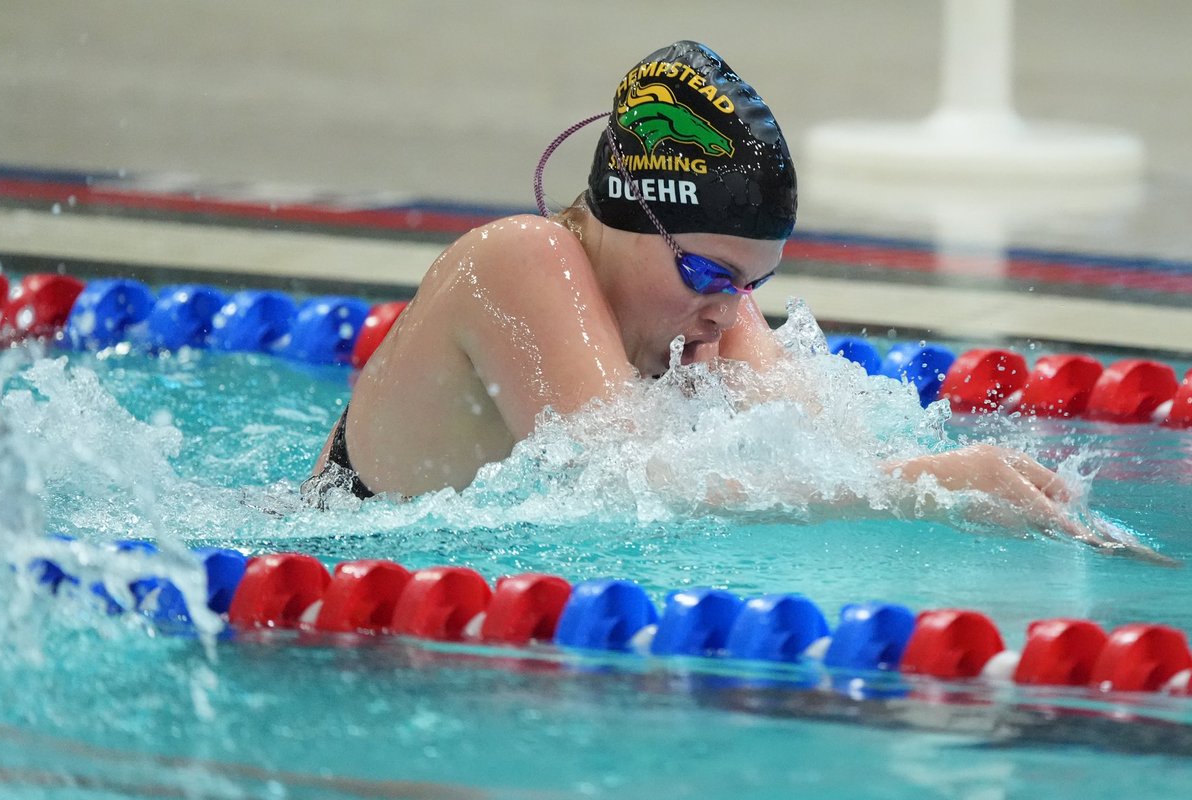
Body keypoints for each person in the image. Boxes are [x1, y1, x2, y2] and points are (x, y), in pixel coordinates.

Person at [304, 41, 1158, 560]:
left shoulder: (710, 309)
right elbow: (632, 480)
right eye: (710, 275)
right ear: (633, 217)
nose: (731, 308)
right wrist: (911, 487)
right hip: (331, 599)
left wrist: (959, 488)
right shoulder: (521, 260)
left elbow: (824, 456)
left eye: (754, 285)